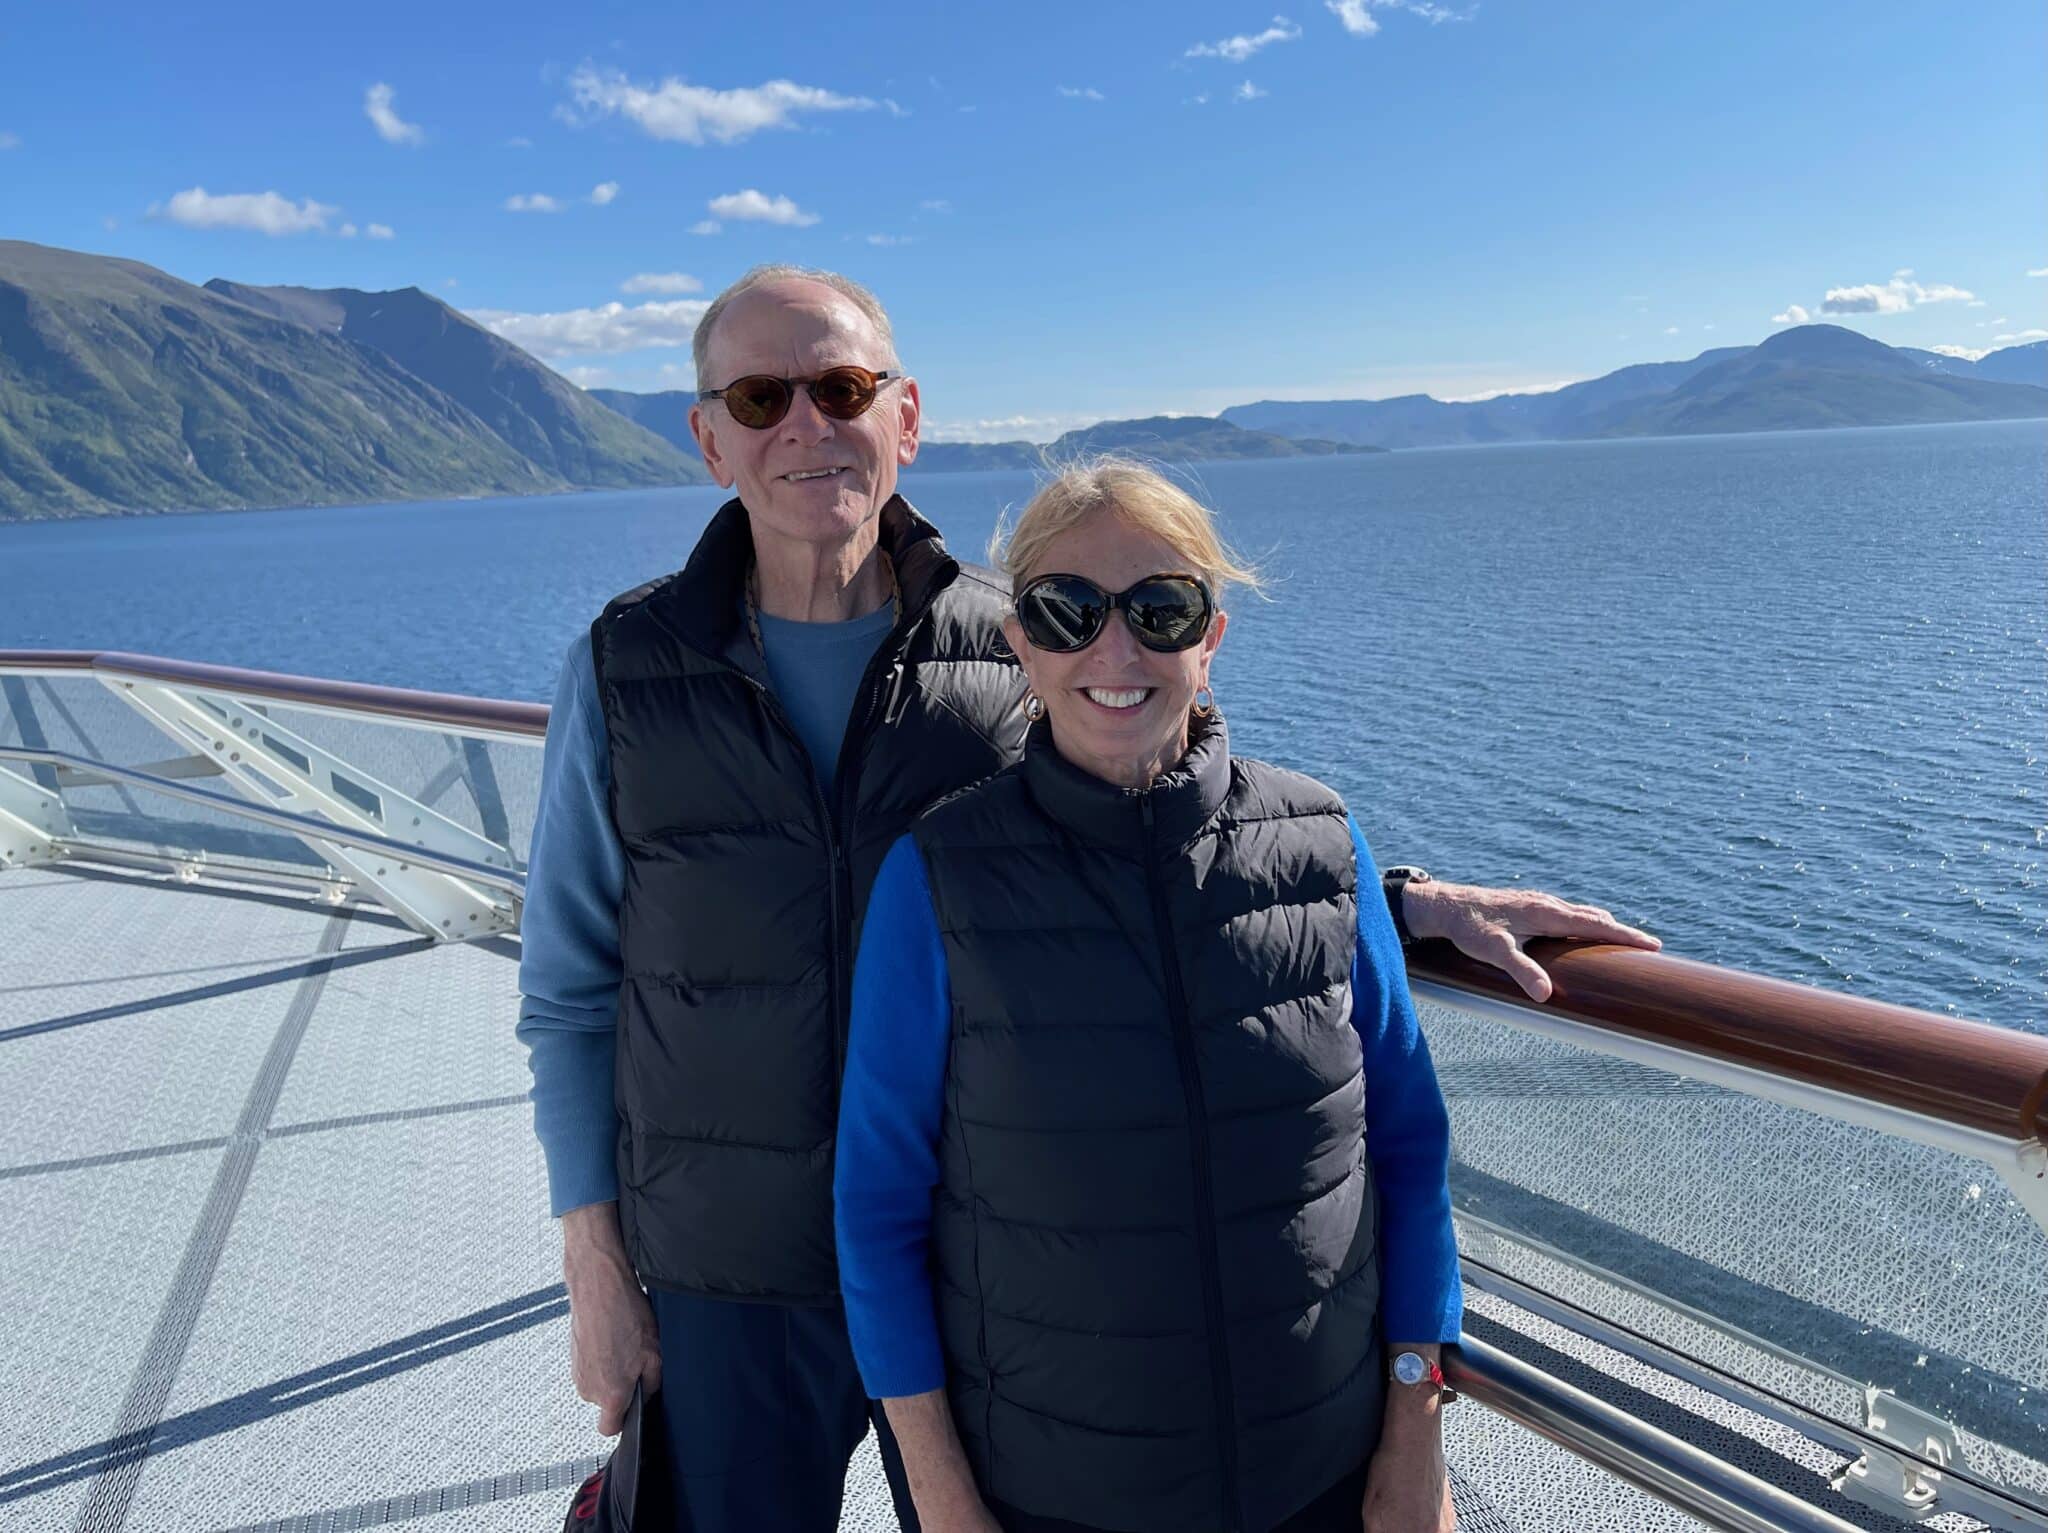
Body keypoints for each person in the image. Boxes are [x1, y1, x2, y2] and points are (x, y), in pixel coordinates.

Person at [517, 264, 1660, 1533]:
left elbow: (1151, 840)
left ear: (902, 417)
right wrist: (594, 1262)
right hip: (726, 1269)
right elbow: (570, 990)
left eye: (840, 387)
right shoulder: (626, 671)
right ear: (710, 437)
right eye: (759, 392)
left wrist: (1386, 902)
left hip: (966, 1262)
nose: (804, 422)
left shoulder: (1010, 637)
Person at [835, 461, 1463, 1533]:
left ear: (1208, 639)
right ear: (1020, 644)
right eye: (1067, 612)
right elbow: (875, 1211)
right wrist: (939, 1500)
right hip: (1057, 1500)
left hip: (1325, 1480)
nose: (1114, 652)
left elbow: (1406, 1152)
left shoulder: (1320, 843)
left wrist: (1413, 1441)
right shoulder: (939, 881)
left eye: (1159, 610)